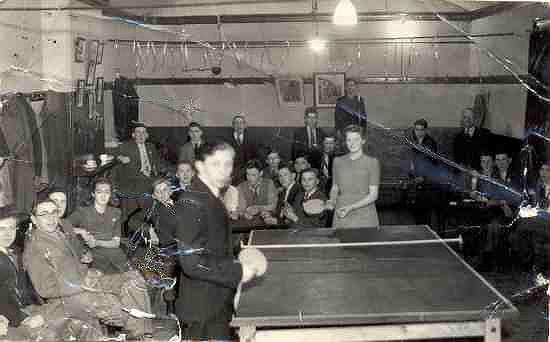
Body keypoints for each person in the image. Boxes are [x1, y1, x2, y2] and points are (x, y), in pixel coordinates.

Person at [159, 140, 263, 340]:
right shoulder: (191, 202)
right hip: (202, 308)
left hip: (215, 301)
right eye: (216, 163)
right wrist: (237, 270)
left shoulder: (211, 197)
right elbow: (191, 263)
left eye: (228, 164)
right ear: (199, 166)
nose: (224, 170)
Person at [23, 199, 153, 339]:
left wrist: (89, 272)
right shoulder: (35, 248)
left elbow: (71, 266)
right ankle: (138, 334)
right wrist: (82, 284)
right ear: (34, 219)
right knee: (118, 308)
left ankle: (141, 334)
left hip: (87, 283)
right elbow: (46, 288)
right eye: (44, 214)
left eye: (54, 212)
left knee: (134, 278)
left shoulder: (59, 234)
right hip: (69, 298)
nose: (50, 217)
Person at [69, 178, 129, 274]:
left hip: (115, 255)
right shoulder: (82, 212)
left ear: (110, 194)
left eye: (107, 192)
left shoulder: (116, 212)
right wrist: (81, 231)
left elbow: (116, 242)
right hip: (92, 256)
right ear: (93, 194)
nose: (103, 196)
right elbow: (62, 225)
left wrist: (97, 242)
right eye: (99, 192)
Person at [327, 125, 380, 228]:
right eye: (349, 140)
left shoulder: (372, 162)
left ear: (363, 141)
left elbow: (373, 195)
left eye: (356, 139)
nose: (352, 143)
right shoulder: (337, 161)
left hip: (365, 215)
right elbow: (335, 187)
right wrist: (332, 200)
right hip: (341, 213)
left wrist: (351, 207)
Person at [115, 122, 162, 233]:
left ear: (147, 135)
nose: (141, 135)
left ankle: (156, 225)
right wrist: (119, 157)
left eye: (143, 132)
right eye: (138, 132)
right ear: (133, 135)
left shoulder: (151, 146)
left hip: (150, 178)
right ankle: (143, 226)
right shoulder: (126, 146)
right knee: (146, 193)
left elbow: (157, 162)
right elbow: (115, 154)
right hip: (134, 179)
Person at [334, 79, 366, 151]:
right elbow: (336, 117)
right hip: (343, 132)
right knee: (345, 153)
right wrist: (337, 131)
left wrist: (363, 133)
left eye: (352, 85)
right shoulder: (340, 101)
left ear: (355, 87)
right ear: (345, 87)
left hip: (356, 132)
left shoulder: (360, 100)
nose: (350, 87)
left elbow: (363, 118)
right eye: (348, 85)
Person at [229, 115, 257, 185]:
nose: (239, 125)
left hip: (247, 172)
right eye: (236, 123)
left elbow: (256, 156)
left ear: (245, 125)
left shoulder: (252, 139)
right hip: (232, 172)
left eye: (241, 123)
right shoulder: (226, 139)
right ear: (233, 126)